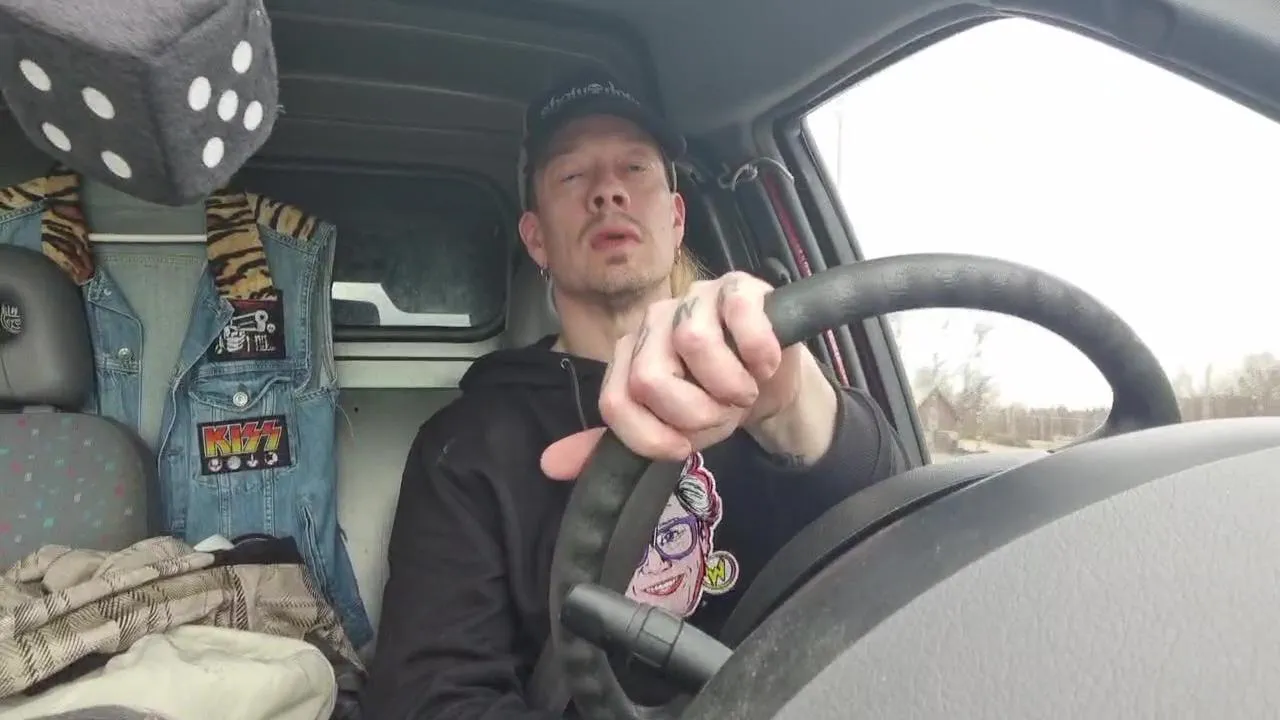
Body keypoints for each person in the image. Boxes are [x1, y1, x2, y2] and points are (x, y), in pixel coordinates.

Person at [361, 69, 909, 719]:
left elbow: (901, 534)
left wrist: (792, 403)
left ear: (676, 220)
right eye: (572, 175)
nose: (608, 191)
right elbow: (431, 696)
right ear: (536, 239)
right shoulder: (467, 444)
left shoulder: (755, 381)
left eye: (635, 167)